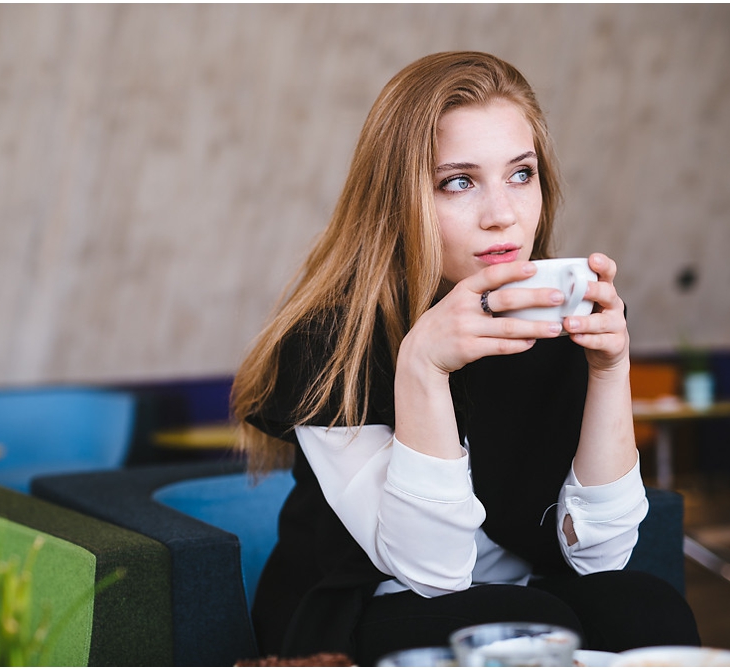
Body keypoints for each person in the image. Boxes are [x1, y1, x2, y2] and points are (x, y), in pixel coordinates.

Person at [230, 52, 700, 665]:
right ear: (398, 200)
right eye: (459, 181)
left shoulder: (557, 315)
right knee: (524, 621)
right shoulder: (329, 340)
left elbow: (600, 555)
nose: (502, 213)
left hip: (522, 591)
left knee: (647, 607)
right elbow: (433, 570)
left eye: (520, 174)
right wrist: (423, 366)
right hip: (363, 606)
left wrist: (610, 371)